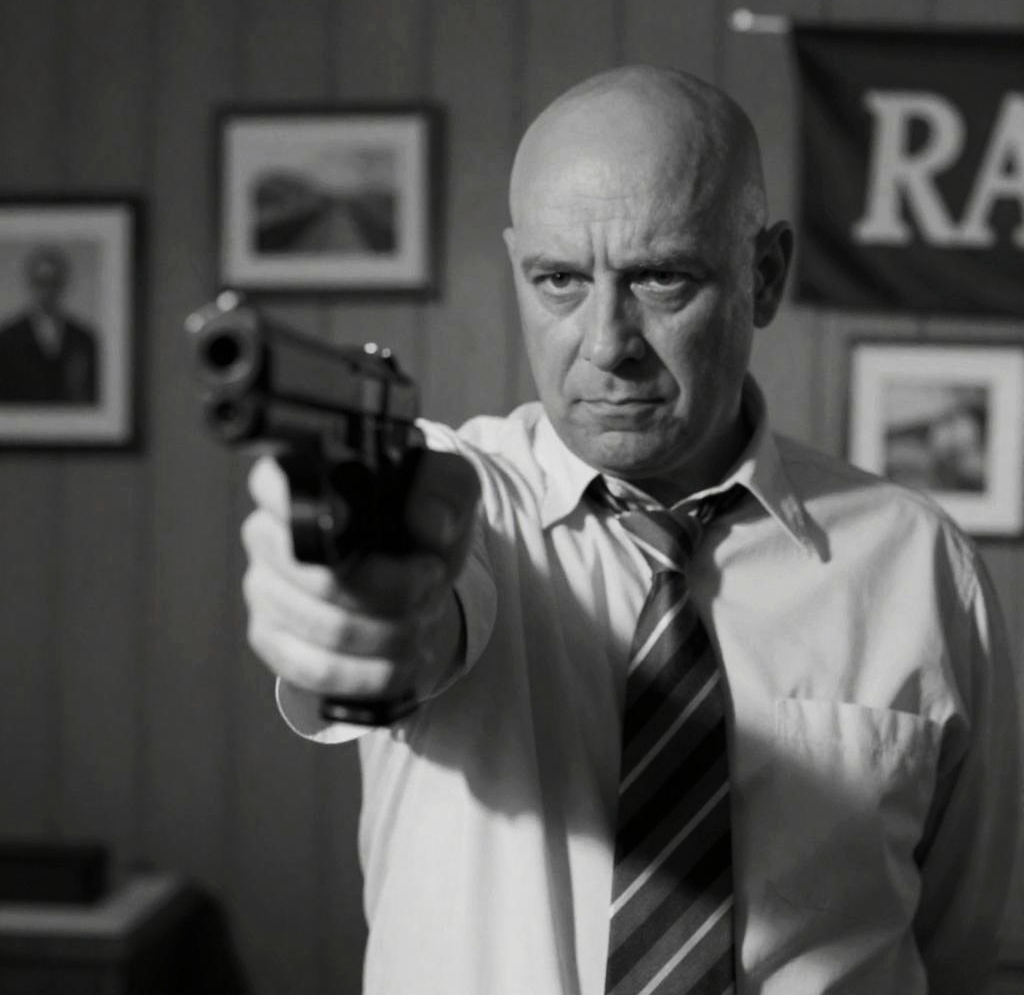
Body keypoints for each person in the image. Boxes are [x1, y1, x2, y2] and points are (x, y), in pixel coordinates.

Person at [241, 66, 1020, 994]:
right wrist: (357, 611)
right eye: (559, 281)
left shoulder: (921, 567)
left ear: (764, 276)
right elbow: (414, 609)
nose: (607, 342)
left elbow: (961, 951)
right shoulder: (459, 497)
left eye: (660, 278)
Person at [0, 245, 99, 404]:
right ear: (31, 284)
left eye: (53, 282)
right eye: (41, 282)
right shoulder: (7, 338)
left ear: (62, 284)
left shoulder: (83, 338)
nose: (47, 290)